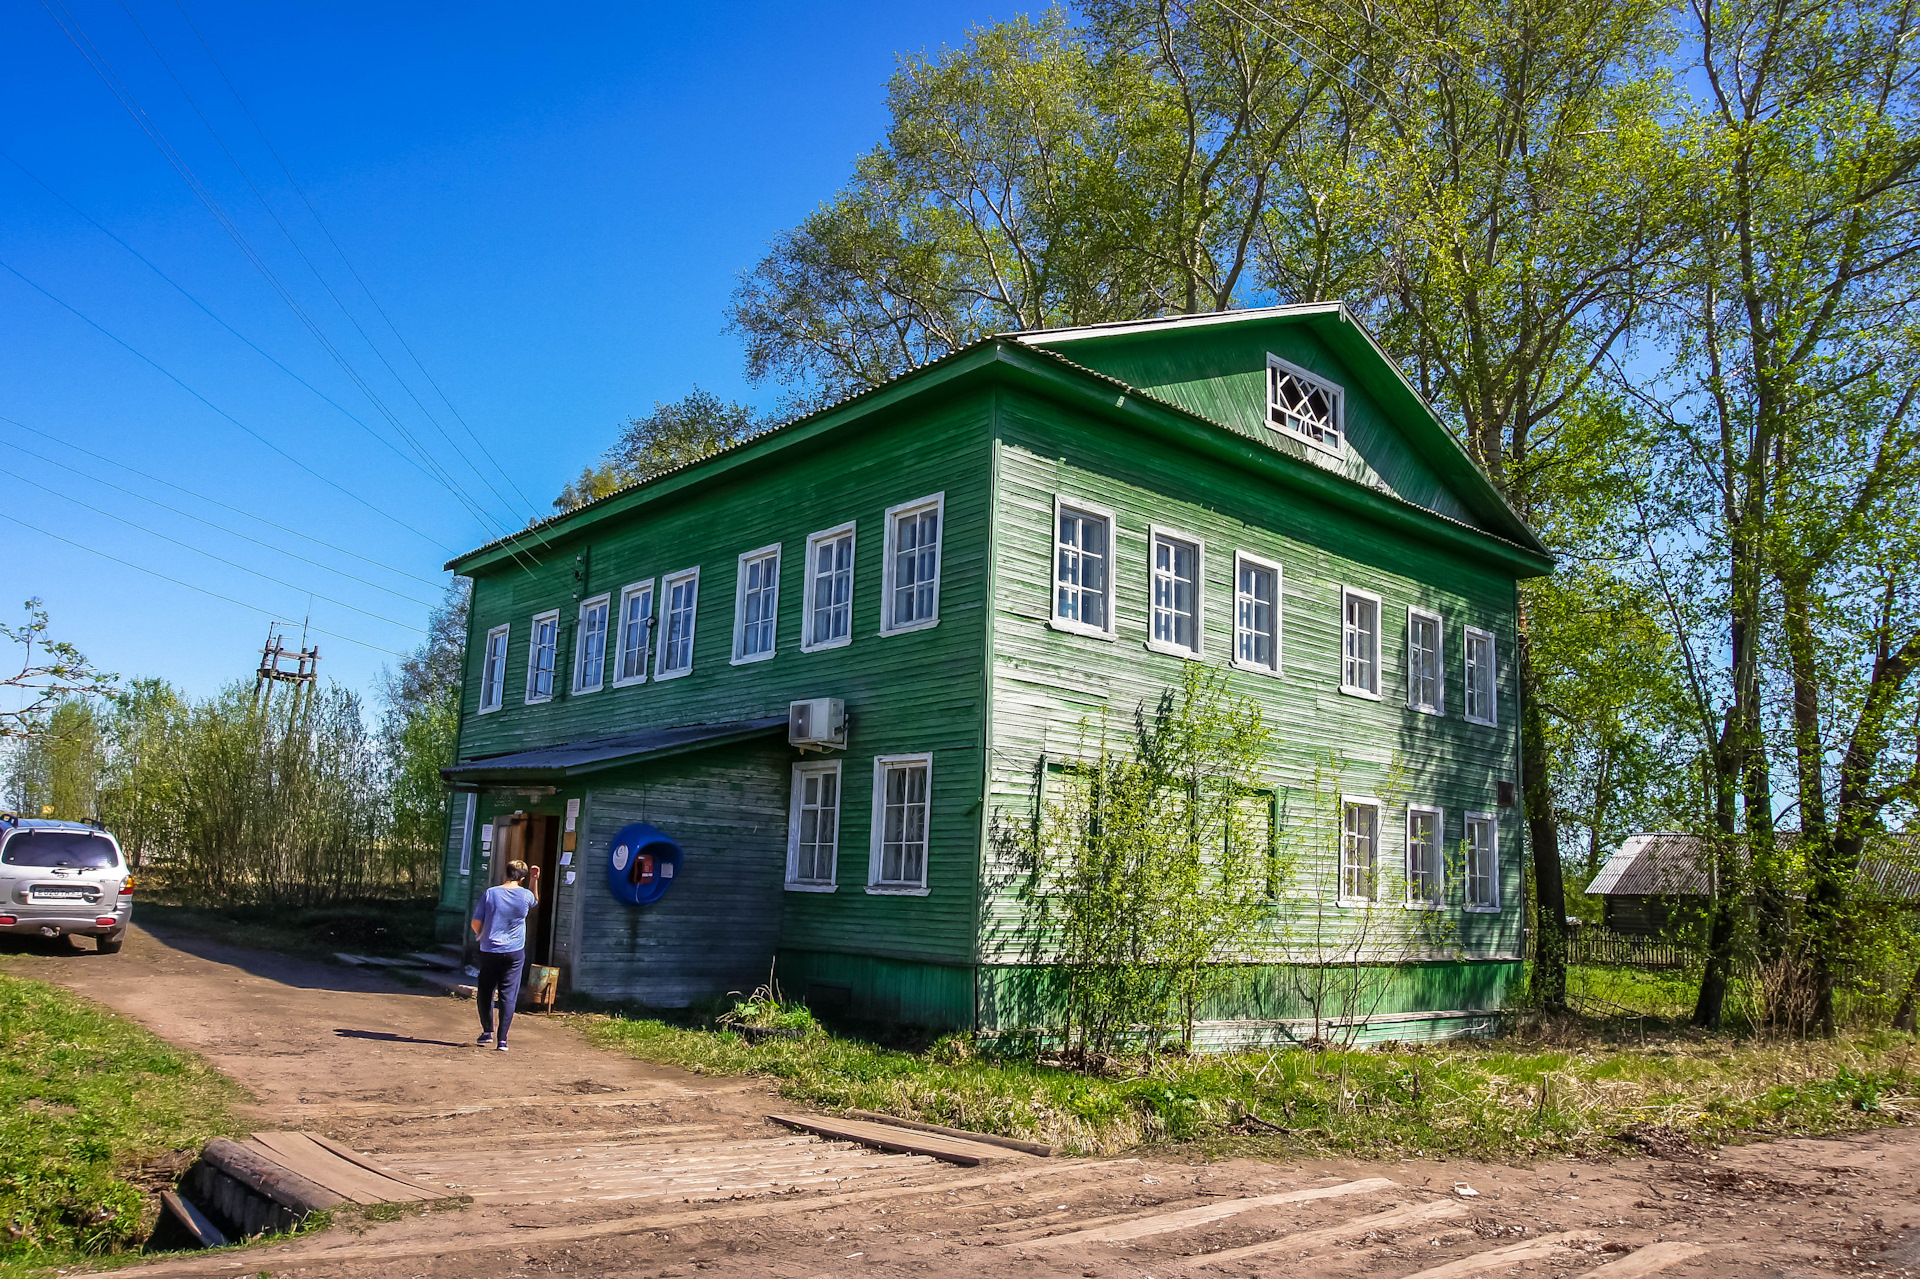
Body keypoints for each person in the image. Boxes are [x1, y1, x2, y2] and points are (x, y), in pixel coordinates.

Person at [470, 859, 539, 1051]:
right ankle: (503, 1040)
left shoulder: (491, 893)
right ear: (522, 878)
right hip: (514, 953)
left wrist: (480, 935)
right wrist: (535, 880)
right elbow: (535, 900)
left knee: (486, 991)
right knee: (508, 995)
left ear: (506, 873)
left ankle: (486, 1032)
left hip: (490, 950)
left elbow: (476, 921)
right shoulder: (525, 896)